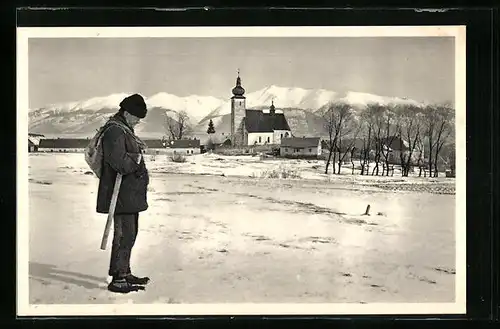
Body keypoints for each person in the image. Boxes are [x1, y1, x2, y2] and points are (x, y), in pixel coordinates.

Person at [96, 93, 151, 294]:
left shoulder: (124, 129)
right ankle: (118, 279)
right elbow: (117, 161)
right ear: (127, 113)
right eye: (136, 117)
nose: (138, 121)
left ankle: (124, 271)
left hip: (129, 194)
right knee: (123, 234)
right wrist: (135, 163)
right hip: (120, 195)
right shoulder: (115, 131)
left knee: (130, 233)